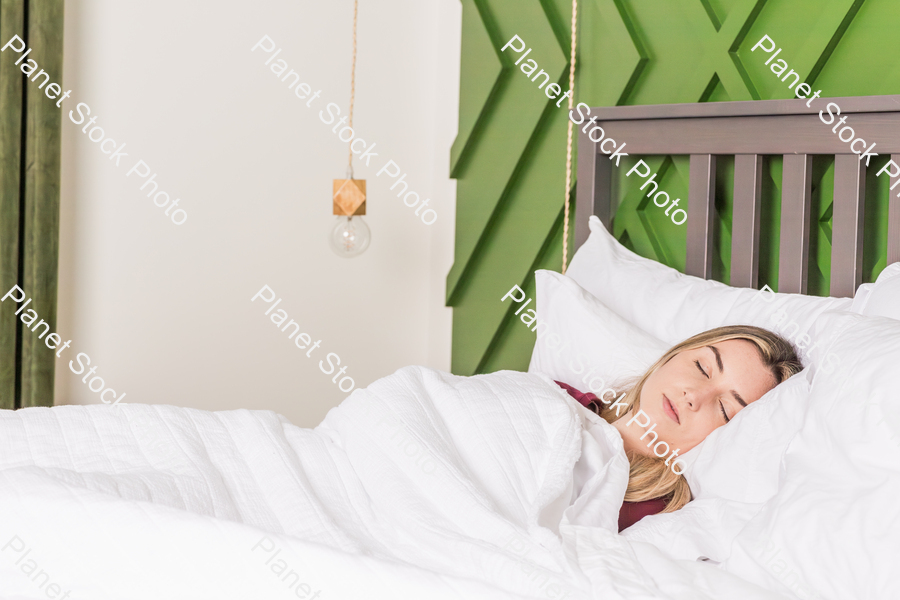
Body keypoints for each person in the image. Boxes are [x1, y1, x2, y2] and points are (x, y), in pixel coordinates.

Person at [557, 325, 803, 528]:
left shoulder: (655, 519)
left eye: (724, 409)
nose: (693, 396)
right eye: (701, 368)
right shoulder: (559, 397)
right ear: (676, 353)